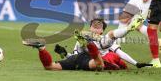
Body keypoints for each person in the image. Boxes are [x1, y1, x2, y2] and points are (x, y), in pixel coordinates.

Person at [22, 18, 151, 71]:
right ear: (90, 28)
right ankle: (42, 48)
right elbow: (75, 56)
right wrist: (65, 54)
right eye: (93, 26)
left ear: (101, 30)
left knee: (50, 67)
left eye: (98, 27)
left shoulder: (104, 38)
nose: (95, 28)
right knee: (100, 63)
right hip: (87, 59)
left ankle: (42, 48)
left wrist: (135, 63)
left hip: (90, 55)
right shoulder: (81, 38)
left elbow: (119, 52)